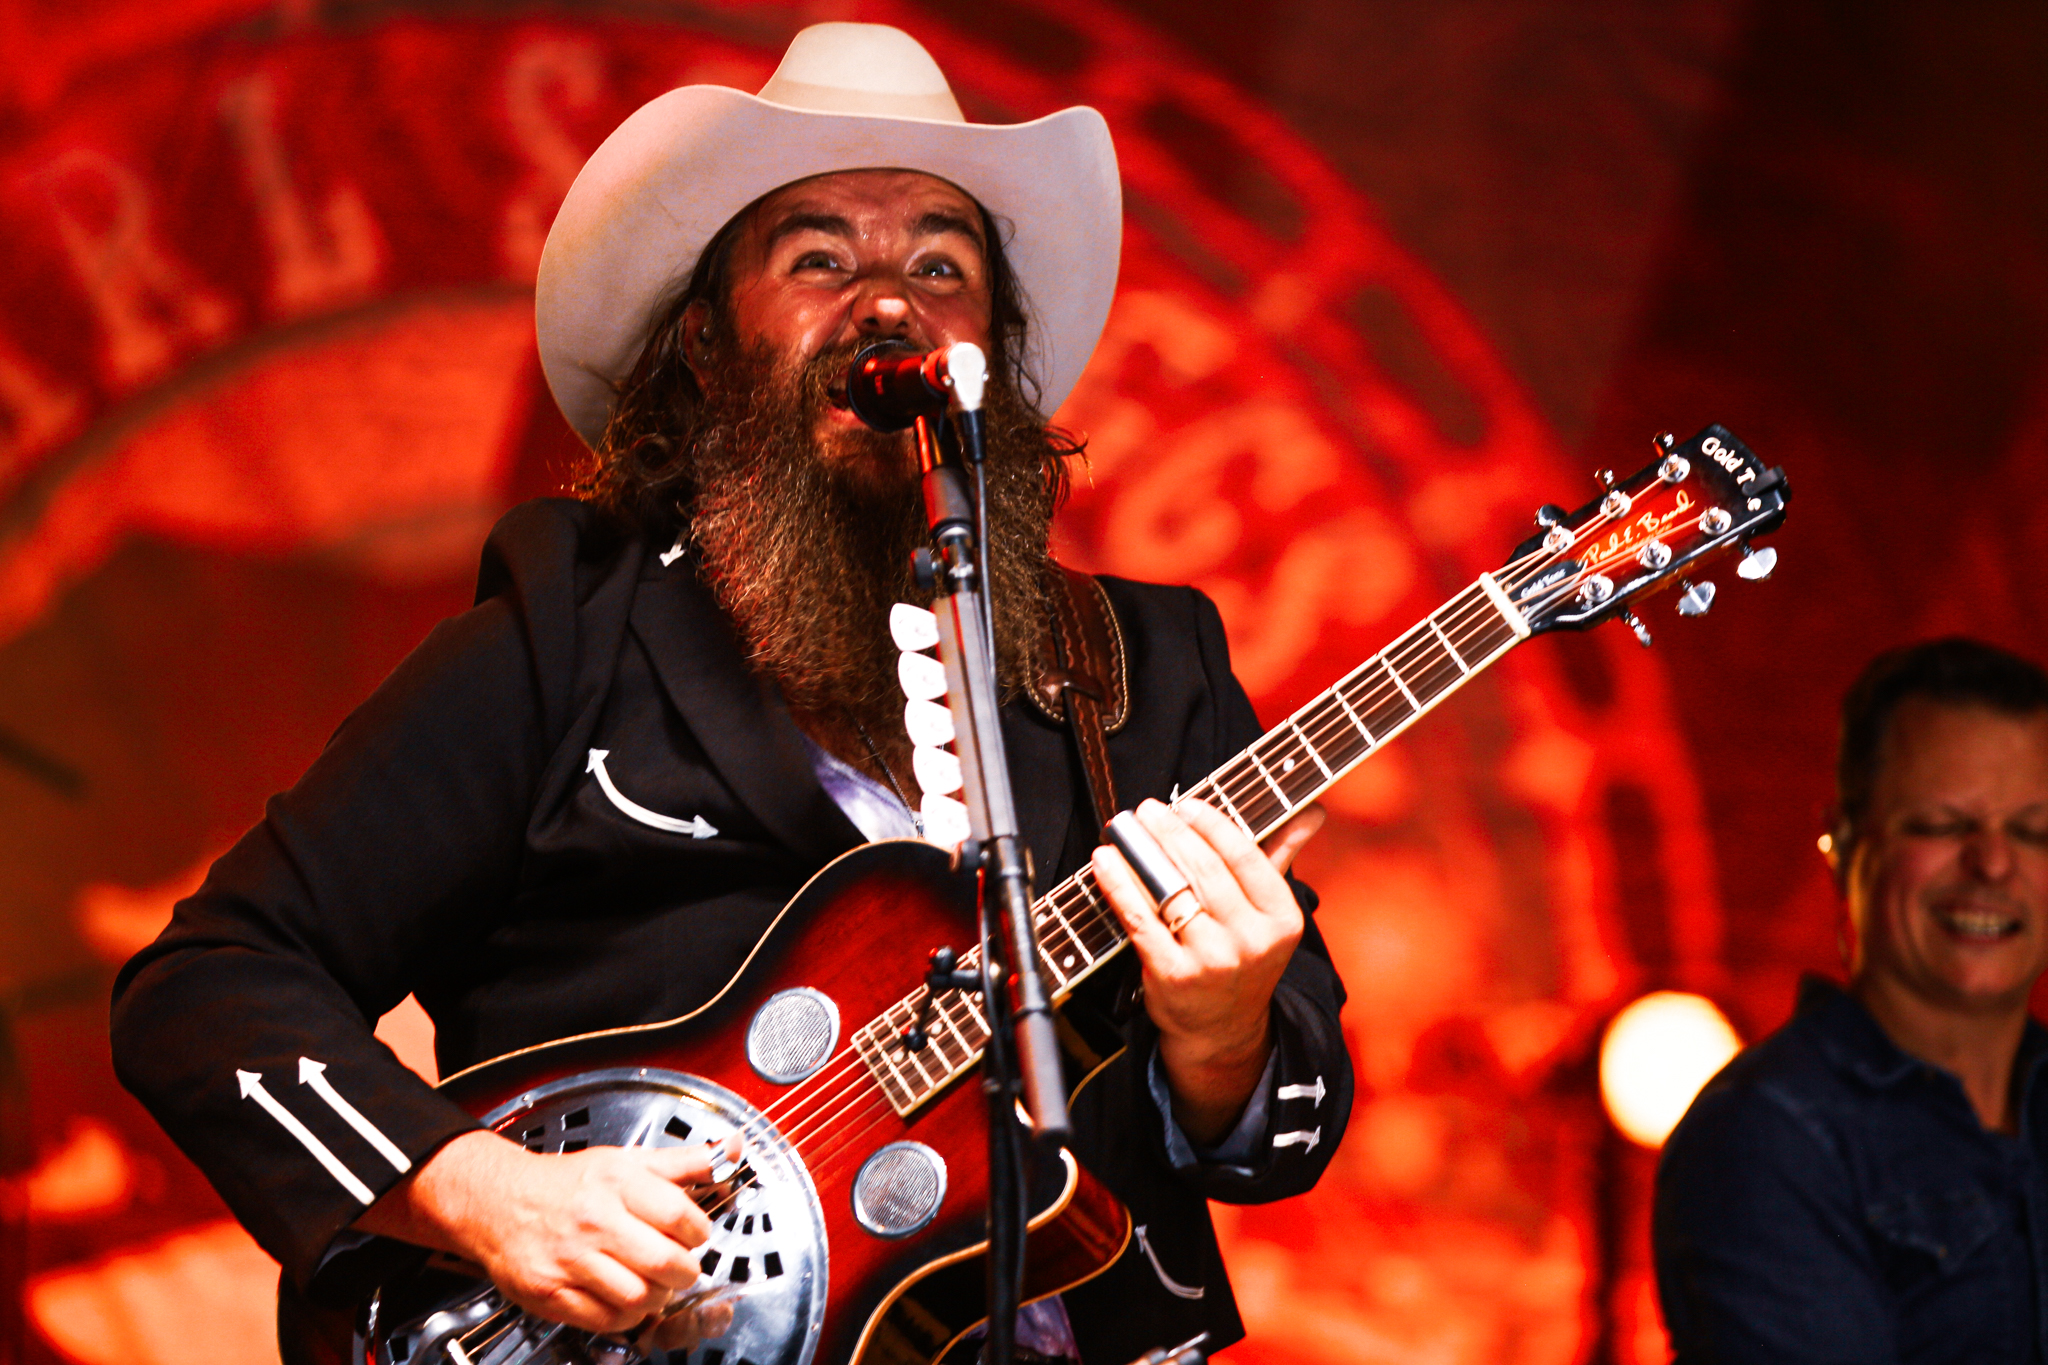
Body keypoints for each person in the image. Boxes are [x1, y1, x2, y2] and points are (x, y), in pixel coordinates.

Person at [108, 23, 1353, 1365]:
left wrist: (1221, 1038)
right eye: (820, 257)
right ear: (704, 346)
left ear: (988, 350)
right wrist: (476, 1186)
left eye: (942, 262)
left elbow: (1285, 1135)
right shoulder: (564, 639)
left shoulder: (1142, 668)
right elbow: (209, 987)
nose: (889, 300)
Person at [1654, 637, 2048, 1362]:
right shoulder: (1767, 1136)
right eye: (1941, 823)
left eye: (2033, 831)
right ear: (1842, 844)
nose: (1994, 862)